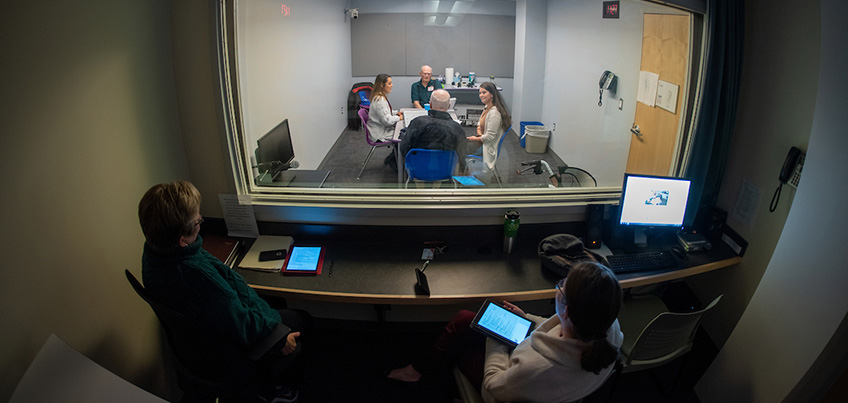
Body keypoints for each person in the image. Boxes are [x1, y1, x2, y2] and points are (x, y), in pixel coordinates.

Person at [138, 181, 310, 401]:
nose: (201, 221)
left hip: (201, 345)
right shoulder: (198, 276)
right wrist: (277, 338)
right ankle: (278, 392)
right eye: (198, 220)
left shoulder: (154, 255)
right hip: (226, 353)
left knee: (280, 309)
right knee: (302, 321)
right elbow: (241, 322)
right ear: (182, 240)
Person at [387, 261, 623, 403]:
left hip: (508, 390)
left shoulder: (536, 369)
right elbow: (556, 324)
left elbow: (493, 385)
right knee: (464, 320)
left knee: (461, 343)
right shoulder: (607, 327)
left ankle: (427, 379)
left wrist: (496, 338)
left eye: (563, 285)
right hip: (551, 384)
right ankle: (416, 370)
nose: (560, 286)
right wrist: (526, 318)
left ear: (567, 311)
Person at [400, 89, 469, 173]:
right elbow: (462, 155)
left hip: (418, 170)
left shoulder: (417, 123)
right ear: (449, 106)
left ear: (430, 104)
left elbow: (404, 149)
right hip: (446, 171)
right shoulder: (457, 128)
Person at [467, 81, 512, 171]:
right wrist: (480, 136)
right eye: (480, 93)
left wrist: (474, 139)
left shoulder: (494, 113)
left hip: (487, 147)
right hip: (482, 142)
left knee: (459, 149)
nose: (481, 95)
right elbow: (479, 124)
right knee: (459, 146)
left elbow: (489, 137)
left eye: (484, 92)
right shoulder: (487, 107)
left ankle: (461, 175)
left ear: (492, 94)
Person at [367, 73, 403, 143]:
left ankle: (395, 153)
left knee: (403, 130)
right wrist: (399, 118)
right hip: (380, 133)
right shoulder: (379, 100)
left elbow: (384, 112)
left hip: (381, 129)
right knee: (405, 135)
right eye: (389, 83)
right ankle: (398, 153)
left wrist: (395, 113)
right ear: (381, 85)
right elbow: (387, 121)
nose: (392, 85)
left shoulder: (379, 97)